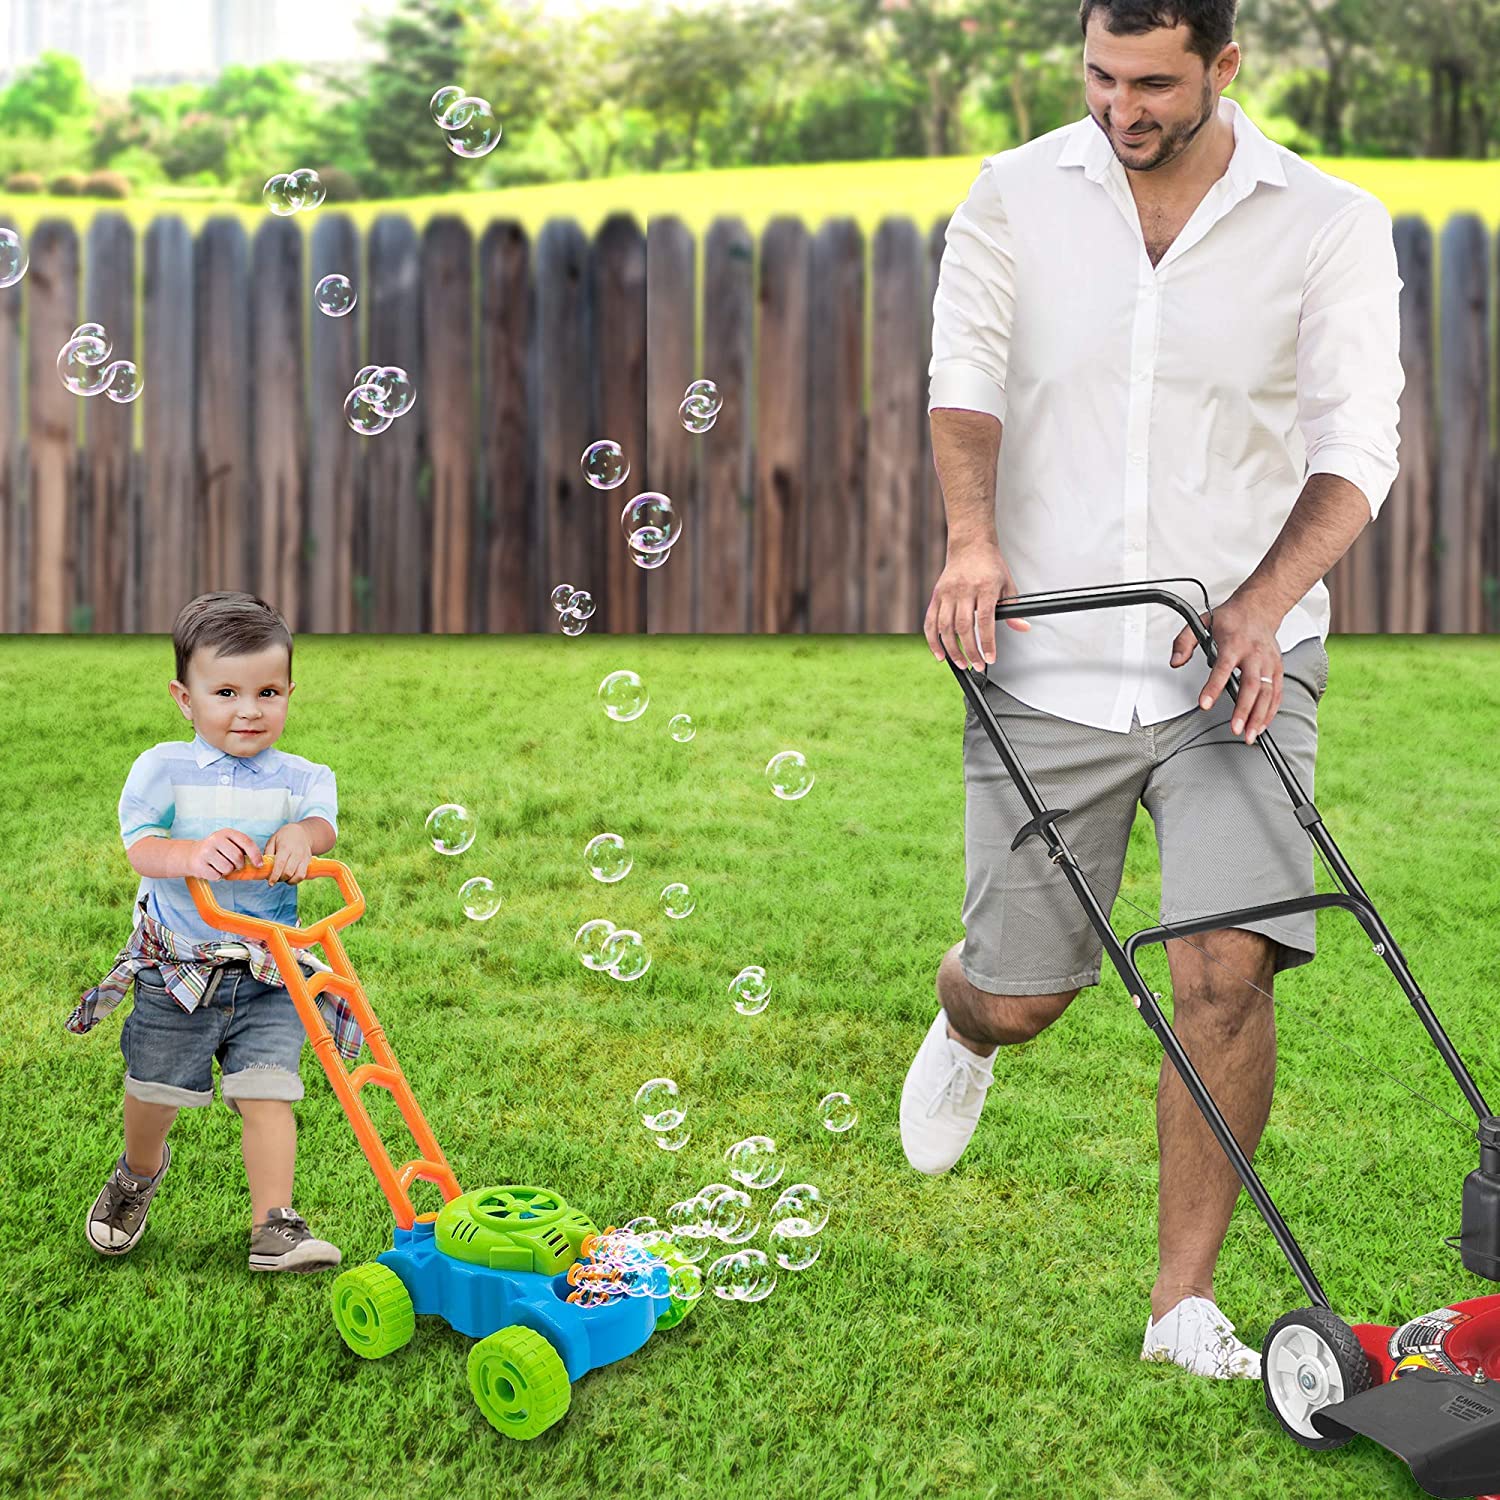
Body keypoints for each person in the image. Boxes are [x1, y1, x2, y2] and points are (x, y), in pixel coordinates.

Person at [900, 0, 1402, 1379]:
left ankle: (1184, 1303)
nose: (1125, 108)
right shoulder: (1013, 197)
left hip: (1236, 663)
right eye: (1103, 77)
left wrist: (1257, 600)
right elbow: (966, 381)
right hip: (1049, 657)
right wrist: (971, 539)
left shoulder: (1329, 221)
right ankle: (965, 1020)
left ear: (1226, 67)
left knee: (1225, 973)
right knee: (1024, 990)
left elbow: (1360, 442)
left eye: (1157, 84)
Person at [70, 591, 361, 1272]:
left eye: (268, 691)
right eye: (226, 691)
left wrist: (299, 835)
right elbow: (143, 846)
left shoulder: (304, 779)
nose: (249, 709)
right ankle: (138, 1173)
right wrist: (190, 852)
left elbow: (322, 826)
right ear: (184, 697)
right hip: (178, 969)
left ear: (289, 691)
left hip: (269, 972)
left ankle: (275, 1226)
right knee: (154, 1090)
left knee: (270, 1090)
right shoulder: (161, 769)